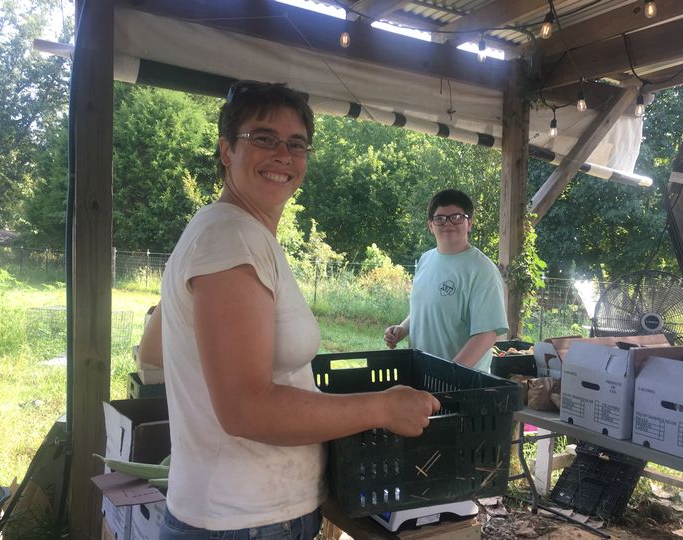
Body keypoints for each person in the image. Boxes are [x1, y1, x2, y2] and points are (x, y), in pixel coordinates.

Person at [139, 81, 440, 540]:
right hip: (243, 521)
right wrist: (381, 406)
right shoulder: (230, 239)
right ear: (226, 150)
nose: (283, 154)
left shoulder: (226, 232)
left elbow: (153, 348)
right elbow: (245, 410)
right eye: (263, 138)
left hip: (241, 515)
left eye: (296, 144)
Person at [384, 189, 508, 372]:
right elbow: (425, 308)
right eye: (440, 218)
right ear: (430, 226)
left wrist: (448, 374)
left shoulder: (481, 270)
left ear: (470, 223)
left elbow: (486, 334)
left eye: (457, 217)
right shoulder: (426, 260)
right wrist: (402, 329)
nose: (448, 223)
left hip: (461, 387)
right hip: (421, 375)